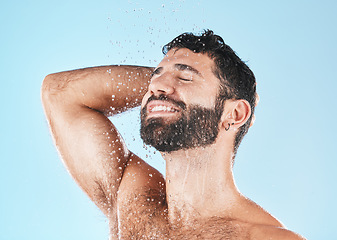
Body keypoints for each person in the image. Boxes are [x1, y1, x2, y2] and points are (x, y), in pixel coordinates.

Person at [42, 30, 305, 239]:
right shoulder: (134, 200)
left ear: (235, 114)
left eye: (186, 78)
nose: (156, 85)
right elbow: (60, 93)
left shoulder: (264, 237)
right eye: (155, 77)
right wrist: (164, 87)